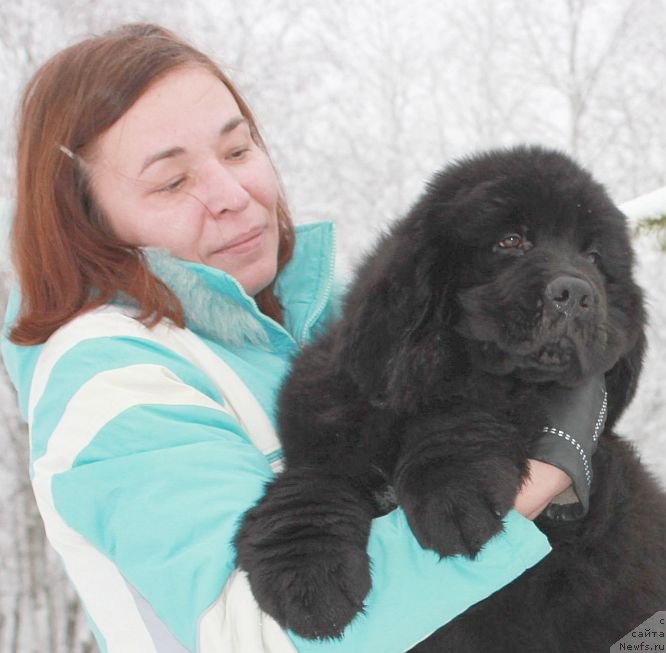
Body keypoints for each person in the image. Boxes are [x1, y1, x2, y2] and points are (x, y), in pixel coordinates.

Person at [1, 23, 604, 653]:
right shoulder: (110, 376)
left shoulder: (321, 320)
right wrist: (549, 465)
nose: (233, 196)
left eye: (237, 151)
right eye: (171, 182)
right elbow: (261, 634)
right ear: (85, 221)